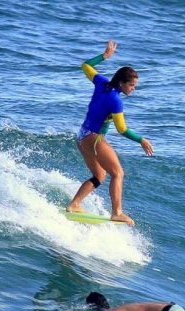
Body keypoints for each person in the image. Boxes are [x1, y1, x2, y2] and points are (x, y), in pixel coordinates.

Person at [65, 40, 153, 226]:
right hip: (93, 138)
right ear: (122, 83)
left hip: (82, 136)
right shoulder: (116, 101)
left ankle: (74, 204)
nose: (133, 89)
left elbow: (86, 66)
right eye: (131, 85)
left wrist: (104, 56)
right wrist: (141, 140)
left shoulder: (102, 83)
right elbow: (122, 129)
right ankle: (117, 212)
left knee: (100, 176)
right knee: (118, 173)